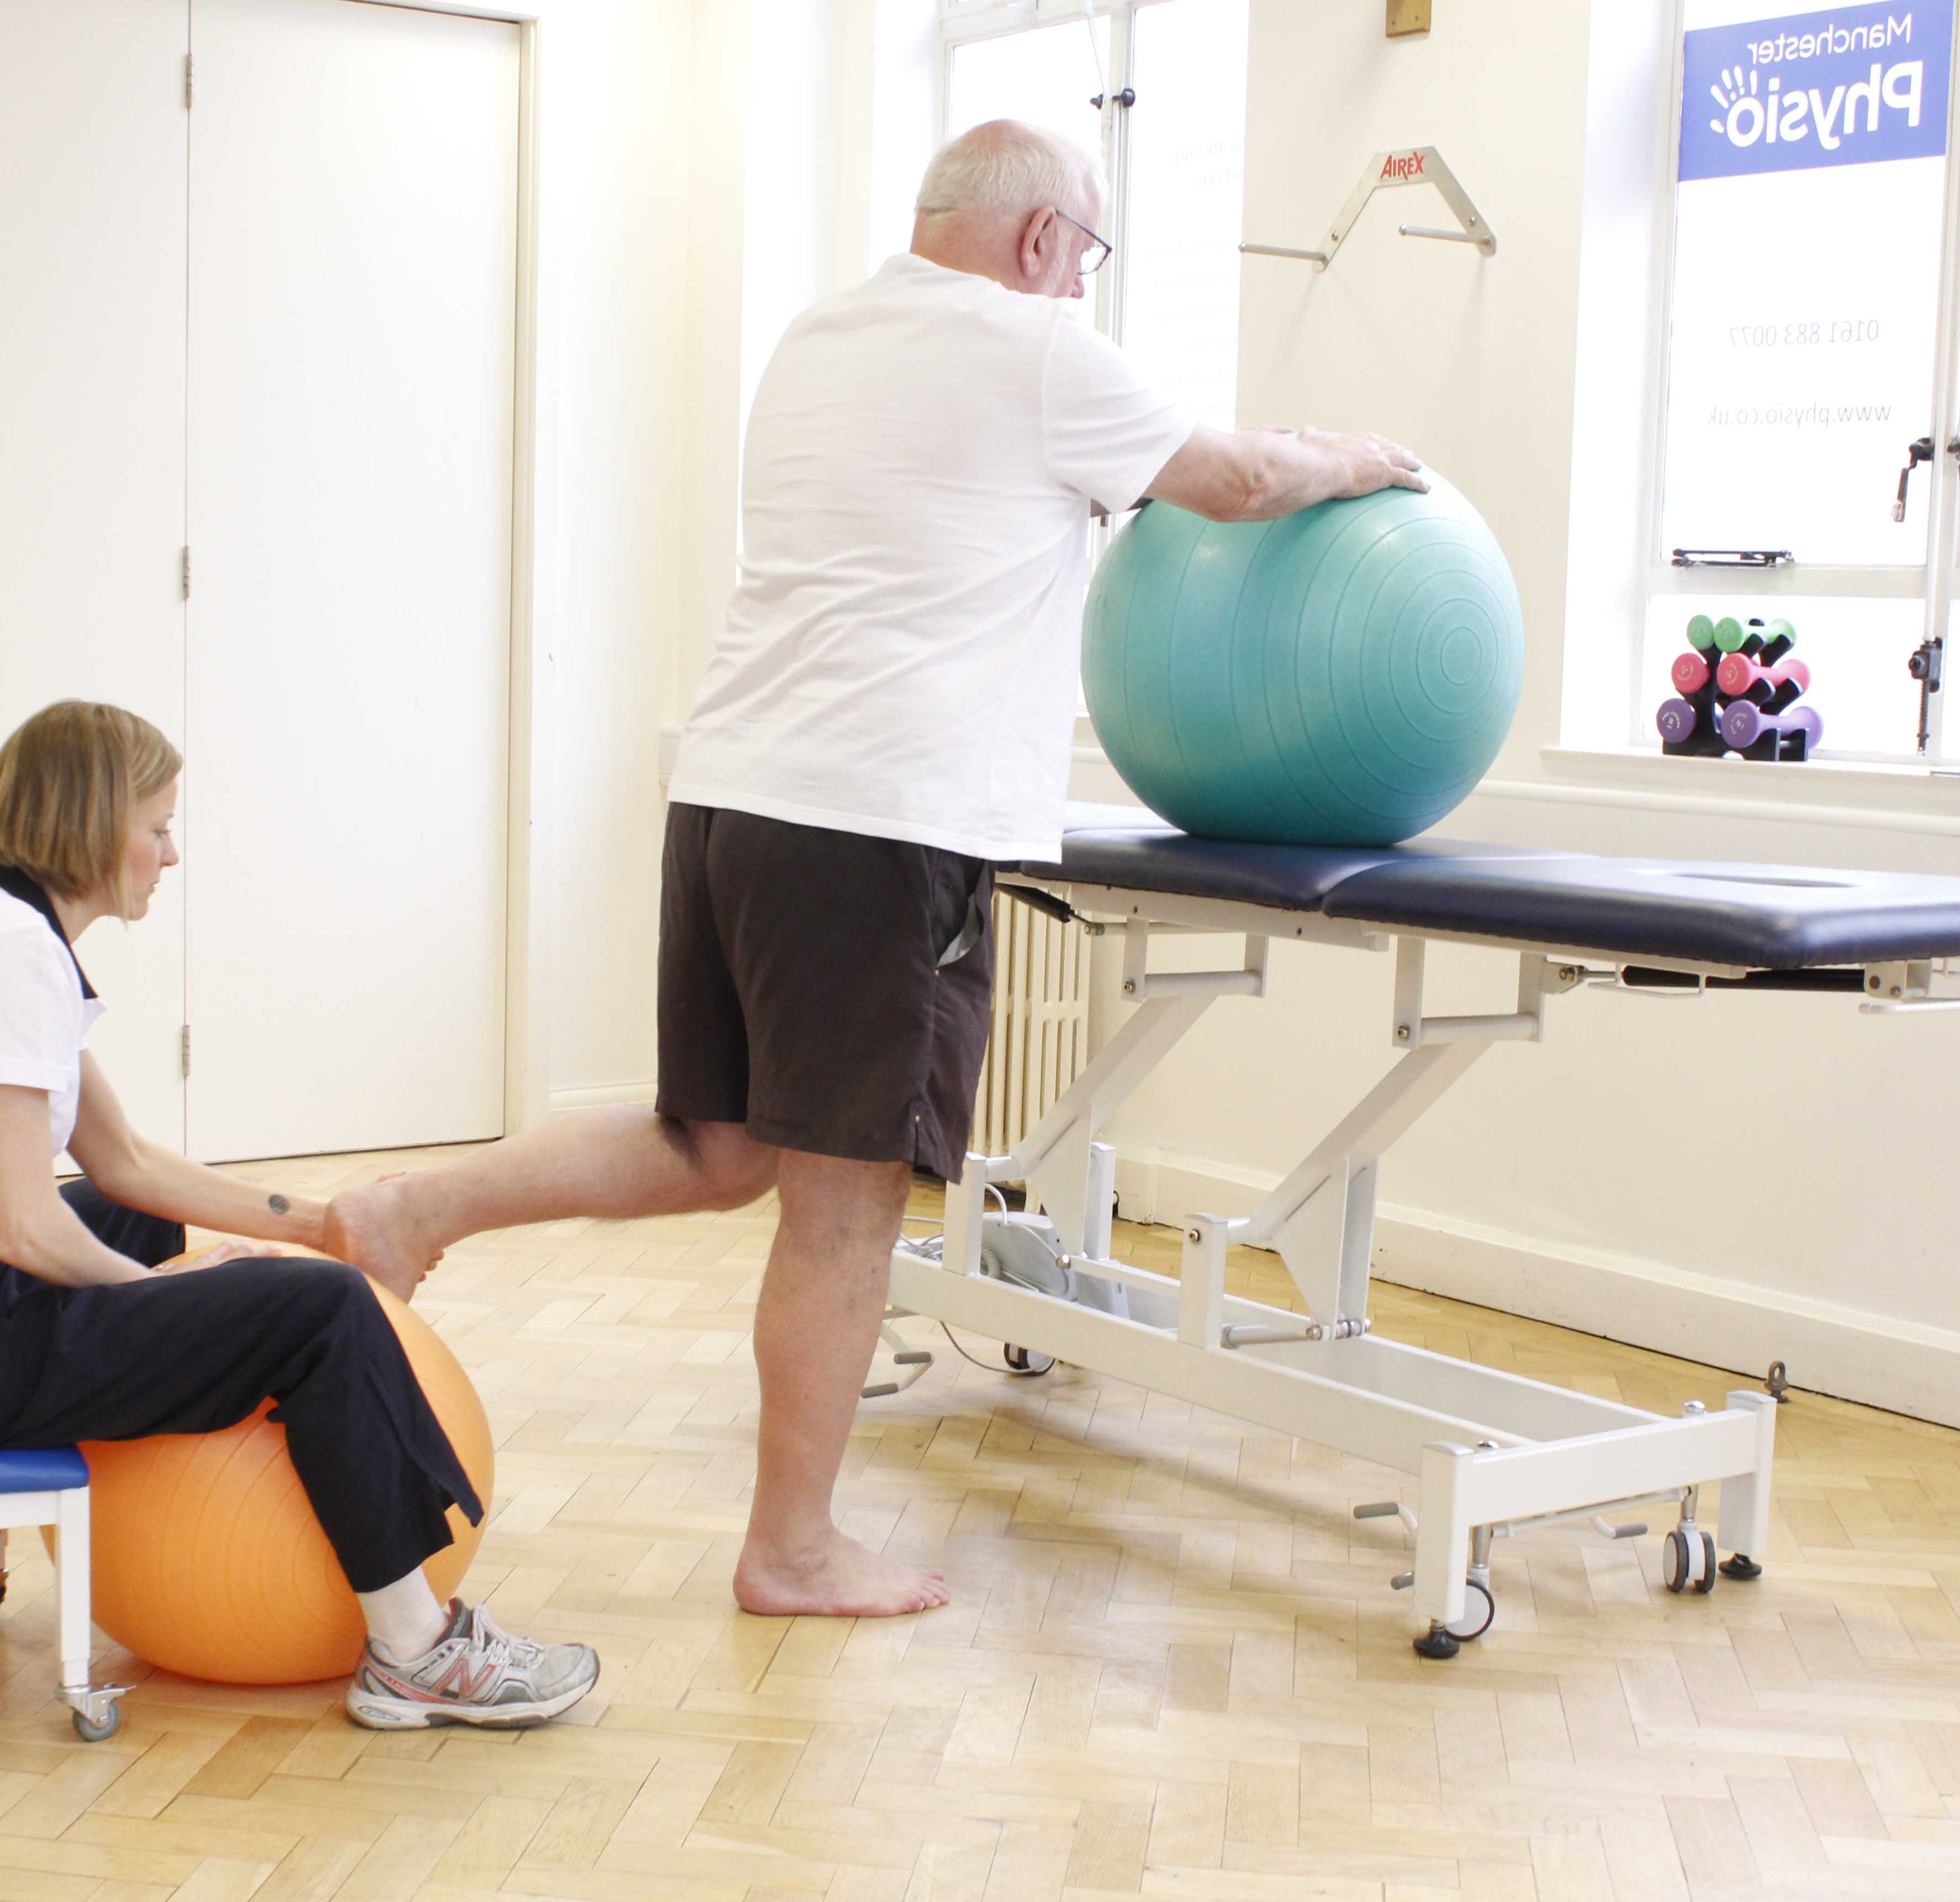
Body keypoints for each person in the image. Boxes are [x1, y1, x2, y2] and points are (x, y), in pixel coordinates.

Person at [322, 120, 1427, 1619]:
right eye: (1086, 255)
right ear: (1045, 242)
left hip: (732, 797)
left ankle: (414, 1213)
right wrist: (1361, 457)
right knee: (840, 1208)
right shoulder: (1036, 351)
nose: (1081, 285)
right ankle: (791, 1547)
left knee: (716, 1145)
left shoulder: (820, 337)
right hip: (877, 827)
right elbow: (1235, 478)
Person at [0, 699, 595, 1731]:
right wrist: (192, 1292)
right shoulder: (8, 957)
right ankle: (414, 1652)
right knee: (318, 1312)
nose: (171, 855)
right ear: (89, 825)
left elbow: (120, 1165)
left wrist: (319, 1221)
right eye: (156, 827)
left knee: (155, 1230)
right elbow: (27, 1230)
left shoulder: (1, 932)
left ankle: (285, 1337)